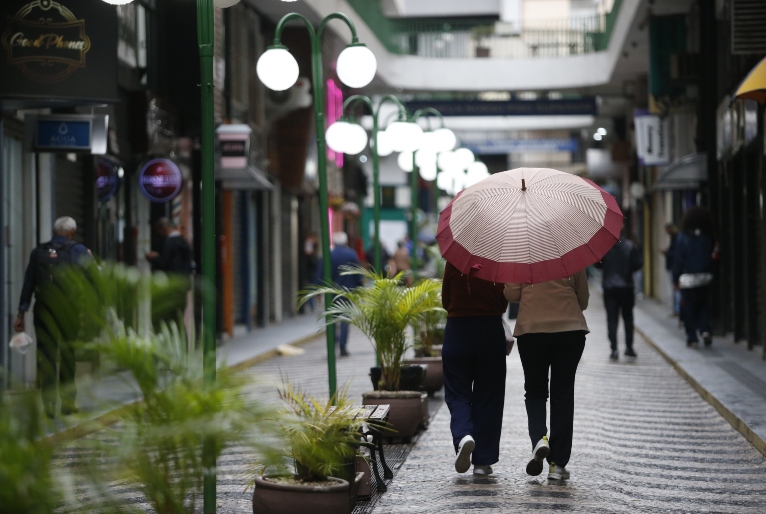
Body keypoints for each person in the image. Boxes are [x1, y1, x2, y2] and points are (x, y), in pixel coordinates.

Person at [504, 268, 589, 481]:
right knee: (562, 394)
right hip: (570, 331)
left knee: (535, 391)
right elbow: (584, 300)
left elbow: (511, 295)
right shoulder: (571, 252)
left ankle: (539, 440)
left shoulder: (522, 254)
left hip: (532, 331)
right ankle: (558, 465)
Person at [14, 217, 92, 419]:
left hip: (43, 309)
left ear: (54, 231)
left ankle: (48, 405)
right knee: (67, 355)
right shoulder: (79, 250)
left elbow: (28, 284)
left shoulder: (39, 251)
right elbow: (93, 279)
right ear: (72, 232)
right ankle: (67, 403)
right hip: (68, 310)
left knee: (46, 356)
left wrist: (21, 313)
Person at [442, 261, 508, 476]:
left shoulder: (455, 260)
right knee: (489, 395)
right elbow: (503, 301)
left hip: (457, 331)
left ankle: (463, 436)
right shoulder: (497, 260)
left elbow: (446, 300)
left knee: (457, 392)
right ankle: (483, 461)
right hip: (489, 331)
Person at [595, 230, 643, 361]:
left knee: (612, 319)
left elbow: (597, 265)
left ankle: (614, 349)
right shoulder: (630, 246)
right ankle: (629, 347)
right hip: (626, 286)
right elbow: (638, 264)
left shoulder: (605, 247)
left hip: (610, 287)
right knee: (628, 317)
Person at [673, 206, 715, 347]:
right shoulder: (707, 238)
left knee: (689, 309)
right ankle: (705, 329)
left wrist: (675, 278)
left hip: (688, 280)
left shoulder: (682, 238)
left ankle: (692, 338)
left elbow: (678, 260)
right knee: (704, 306)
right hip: (705, 277)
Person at [318, 232, 362, 356]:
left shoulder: (329, 254)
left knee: (331, 319)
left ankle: (333, 344)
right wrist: (359, 288)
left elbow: (321, 273)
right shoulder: (351, 254)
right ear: (346, 241)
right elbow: (357, 273)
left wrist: (318, 290)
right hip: (347, 291)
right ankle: (342, 346)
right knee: (344, 319)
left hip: (331, 292)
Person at [145, 217, 194, 323]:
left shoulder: (168, 243)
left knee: (171, 317)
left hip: (172, 284)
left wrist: (153, 257)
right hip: (183, 283)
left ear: (164, 229)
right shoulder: (184, 241)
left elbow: (164, 263)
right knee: (180, 315)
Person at [662, 223, 681, 316]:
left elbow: (674, 254)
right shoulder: (675, 239)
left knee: (676, 289)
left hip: (674, 267)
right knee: (675, 289)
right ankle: (677, 309)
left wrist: (667, 252)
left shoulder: (676, 239)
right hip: (673, 267)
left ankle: (677, 310)